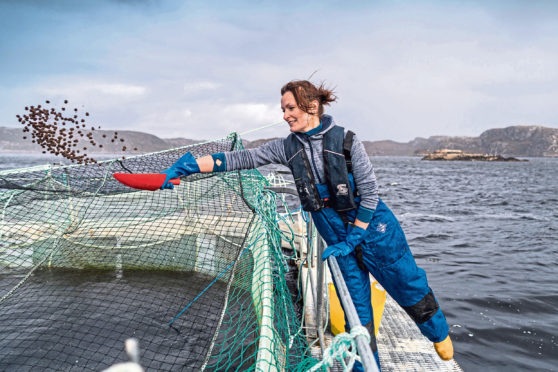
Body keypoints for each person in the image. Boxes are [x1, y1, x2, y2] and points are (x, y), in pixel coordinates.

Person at [159, 80, 454, 371]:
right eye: (283, 109)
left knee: (408, 284)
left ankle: (438, 335)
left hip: (375, 229)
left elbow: (371, 194)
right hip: (337, 240)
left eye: (290, 108)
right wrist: (189, 166)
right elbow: (242, 158)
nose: (285, 115)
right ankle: (365, 369)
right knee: (357, 319)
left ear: (312, 106)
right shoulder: (286, 148)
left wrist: (356, 236)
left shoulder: (348, 141)